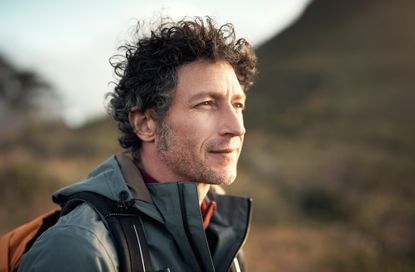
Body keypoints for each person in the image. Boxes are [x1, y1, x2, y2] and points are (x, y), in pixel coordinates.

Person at [18, 16, 257, 272]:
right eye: (206, 104)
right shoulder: (79, 249)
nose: (237, 128)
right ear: (145, 124)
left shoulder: (219, 227)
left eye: (237, 104)